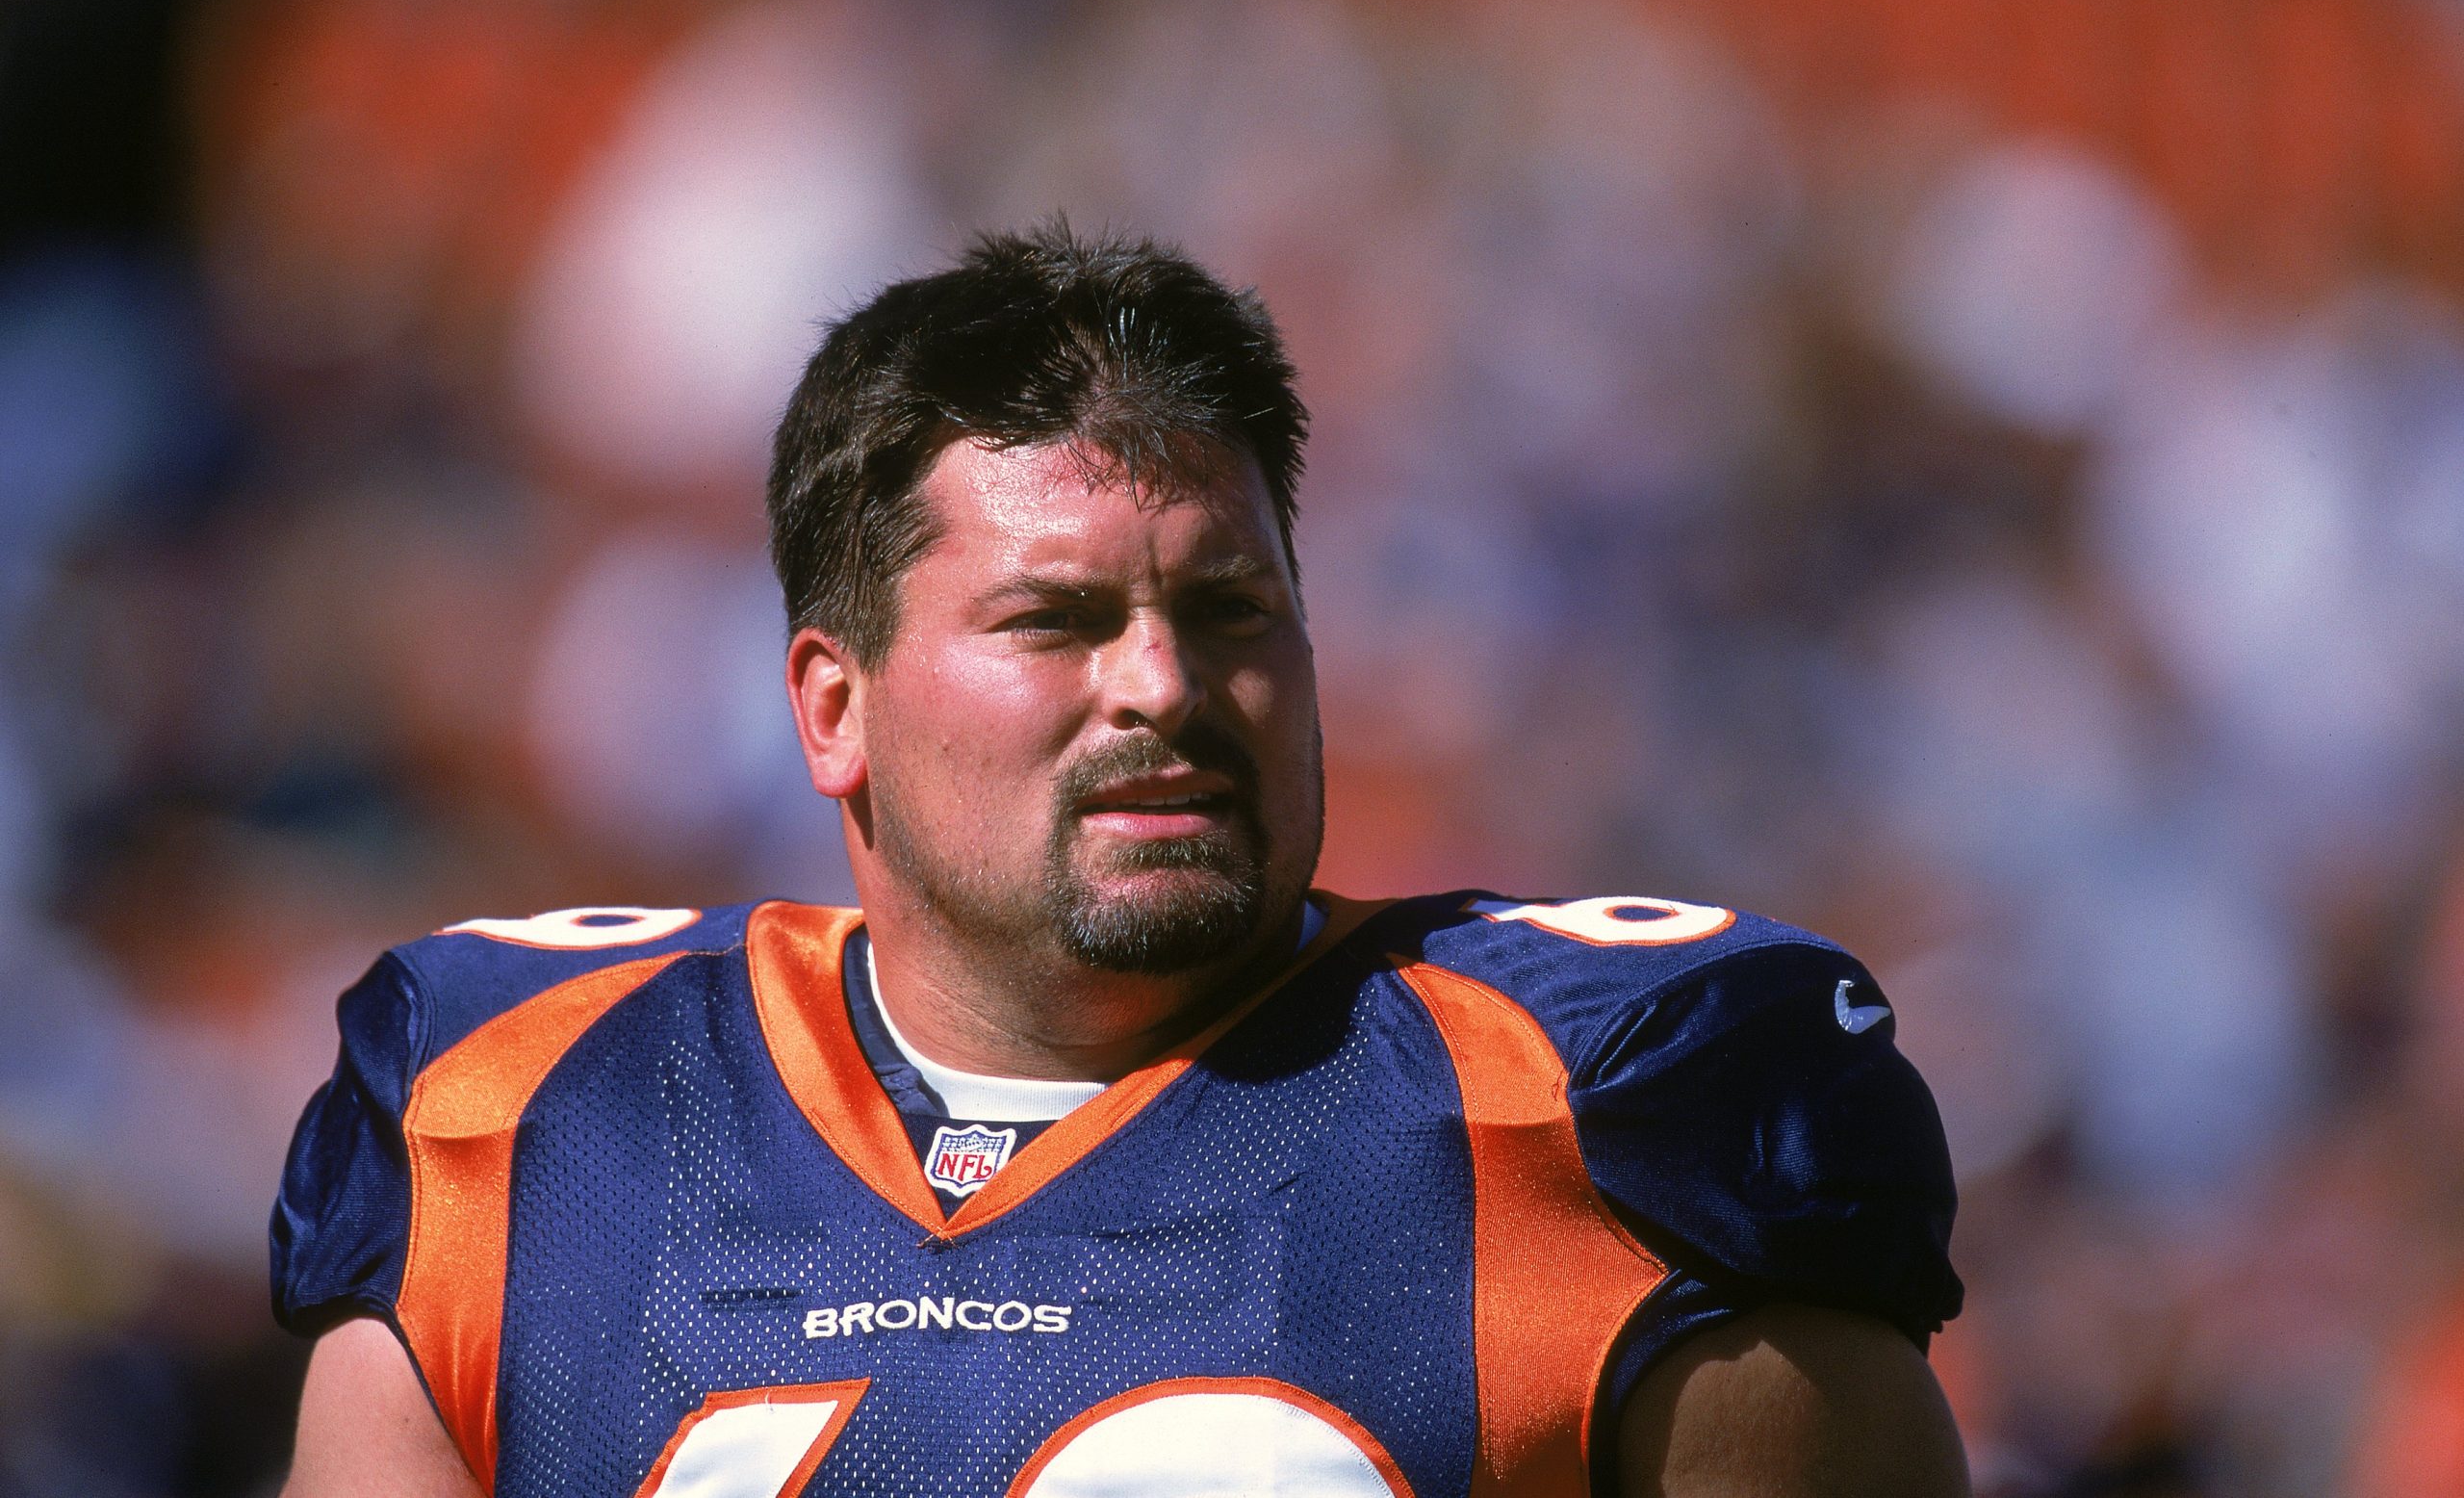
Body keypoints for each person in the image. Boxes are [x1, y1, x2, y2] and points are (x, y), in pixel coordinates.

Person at [271, 224, 1969, 1497]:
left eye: (1230, 611)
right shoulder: (513, 1119)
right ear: (832, 707)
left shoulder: (1607, 1111)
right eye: (1058, 621)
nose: (1162, 685)